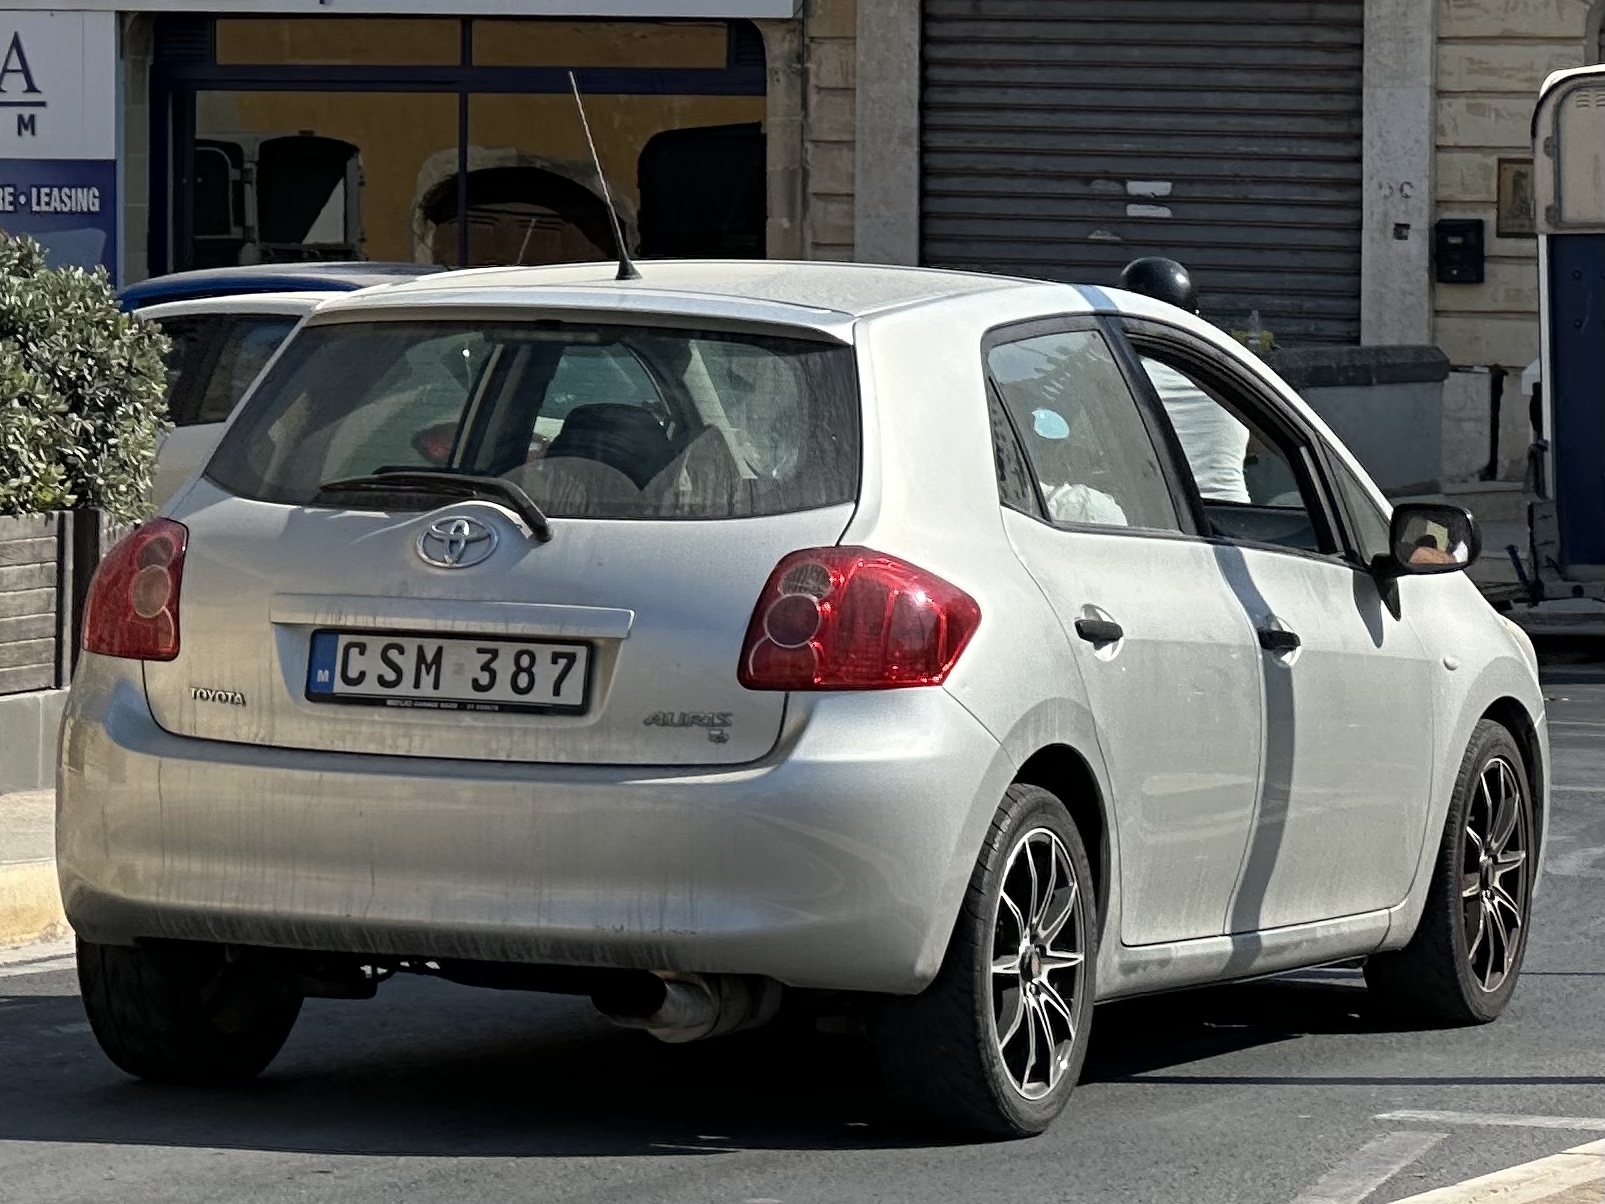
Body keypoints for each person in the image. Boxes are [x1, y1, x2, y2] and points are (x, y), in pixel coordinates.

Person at [1119, 258, 1252, 505]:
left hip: (1163, 517)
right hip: (1237, 516)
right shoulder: (1229, 373)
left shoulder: (1117, 376)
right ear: (1195, 317)